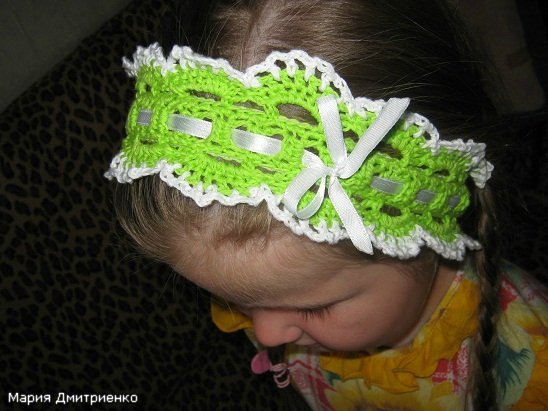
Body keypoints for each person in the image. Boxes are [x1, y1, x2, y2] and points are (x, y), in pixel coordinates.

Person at [106, 0, 548, 409]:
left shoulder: (532, 365)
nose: (266, 335)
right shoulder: (278, 290)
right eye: (229, 299)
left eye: (314, 309)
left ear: (420, 237)